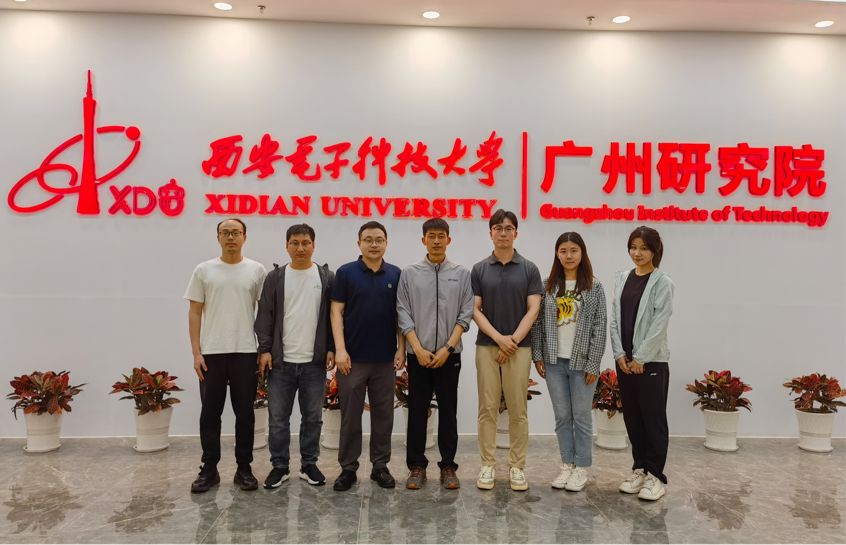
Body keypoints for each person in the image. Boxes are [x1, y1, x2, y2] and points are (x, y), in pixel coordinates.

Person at [185, 218, 267, 493]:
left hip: (246, 352)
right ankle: (209, 469)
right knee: (210, 414)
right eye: (225, 233)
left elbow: (264, 314)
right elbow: (194, 312)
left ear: (245, 237)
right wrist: (196, 352)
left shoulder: (256, 270)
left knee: (245, 415)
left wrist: (263, 349)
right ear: (218, 237)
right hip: (212, 353)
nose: (230, 237)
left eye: (236, 232)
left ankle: (244, 469)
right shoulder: (204, 270)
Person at [254, 224, 335, 489]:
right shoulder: (275, 277)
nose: (300, 248)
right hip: (281, 363)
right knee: (278, 420)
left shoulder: (326, 277)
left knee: (313, 418)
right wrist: (265, 349)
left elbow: (334, 317)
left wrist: (332, 347)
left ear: (314, 245)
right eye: (295, 243)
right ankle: (279, 466)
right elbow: (264, 316)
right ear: (287, 246)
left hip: (314, 362)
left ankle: (309, 464)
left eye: (305, 243)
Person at [397, 218, 473, 490]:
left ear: (448, 240)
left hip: (449, 356)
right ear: (424, 240)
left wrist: (448, 348)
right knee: (417, 411)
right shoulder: (410, 273)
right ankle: (416, 466)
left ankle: (449, 466)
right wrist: (417, 349)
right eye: (432, 236)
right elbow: (403, 311)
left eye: (441, 236)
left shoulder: (461, 273)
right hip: (419, 355)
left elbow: (466, 313)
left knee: (449, 411)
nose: (437, 241)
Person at [330, 221, 406, 491]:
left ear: (386, 243)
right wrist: (340, 350)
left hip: (385, 359)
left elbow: (400, 315)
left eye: (379, 239)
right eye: (368, 239)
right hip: (352, 360)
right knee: (350, 416)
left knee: (383, 415)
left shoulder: (396, 274)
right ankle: (348, 468)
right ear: (359, 243)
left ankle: (380, 466)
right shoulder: (346, 273)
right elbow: (336, 312)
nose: (374, 244)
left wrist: (401, 347)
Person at [471, 209, 542, 491]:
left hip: (519, 349)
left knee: (517, 409)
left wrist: (511, 341)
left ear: (516, 233)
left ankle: (517, 467)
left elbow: (533, 310)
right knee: (487, 408)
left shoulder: (529, 269)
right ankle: (487, 465)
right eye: (498, 228)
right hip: (487, 346)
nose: (503, 233)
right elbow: (475, 310)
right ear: (491, 233)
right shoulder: (479, 269)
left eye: (508, 228)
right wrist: (499, 339)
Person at [531, 232, 607, 492]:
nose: (568, 256)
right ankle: (567, 465)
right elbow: (538, 323)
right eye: (563, 251)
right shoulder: (547, 285)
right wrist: (538, 356)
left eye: (574, 250)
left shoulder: (594, 287)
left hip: (582, 363)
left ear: (582, 253)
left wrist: (593, 363)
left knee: (582, 417)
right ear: (557, 254)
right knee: (562, 416)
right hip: (554, 361)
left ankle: (581, 468)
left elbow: (600, 327)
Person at [610, 226, 674, 501]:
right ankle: (639, 469)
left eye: (644, 248)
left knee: (653, 419)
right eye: (633, 247)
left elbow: (660, 324)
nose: (637, 253)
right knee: (633, 419)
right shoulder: (623, 278)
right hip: (626, 363)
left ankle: (655, 476)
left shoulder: (662, 282)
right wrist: (620, 355)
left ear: (655, 250)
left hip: (651, 363)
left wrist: (641, 358)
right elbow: (615, 319)